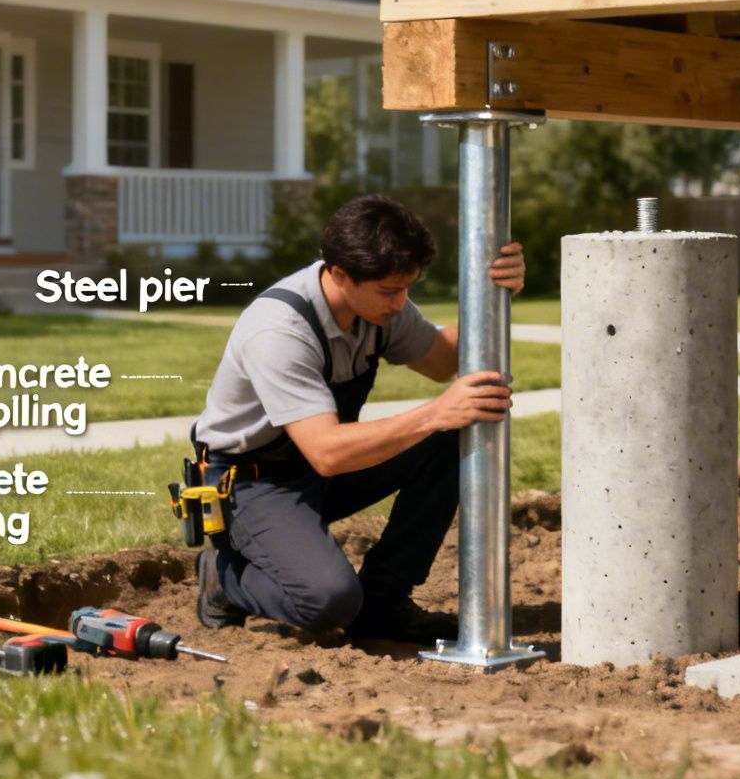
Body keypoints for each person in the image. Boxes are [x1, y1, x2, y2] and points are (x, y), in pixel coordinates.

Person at [190, 194, 523, 643]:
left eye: (407, 287)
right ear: (340, 273)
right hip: (253, 484)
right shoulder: (279, 330)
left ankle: (384, 603)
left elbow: (443, 361)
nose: (400, 302)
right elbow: (327, 452)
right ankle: (224, 577)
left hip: (316, 469)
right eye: (389, 290)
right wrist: (436, 411)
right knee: (328, 600)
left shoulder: (378, 310)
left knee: (455, 434)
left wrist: (494, 294)